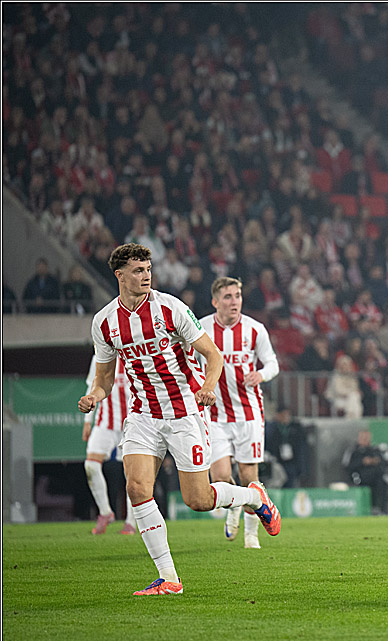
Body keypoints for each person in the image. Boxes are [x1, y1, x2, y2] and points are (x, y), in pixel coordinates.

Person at [78, 243, 281, 596]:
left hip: (185, 411)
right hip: (142, 415)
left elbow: (212, 355)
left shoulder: (170, 308)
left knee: (199, 499)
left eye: (148, 268)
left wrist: (207, 387)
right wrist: (95, 396)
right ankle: (169, 577)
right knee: (137, 488)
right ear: (119, 275)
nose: (146, 275)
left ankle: (254, 499)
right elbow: (106, 377)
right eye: (138, 270)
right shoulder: (105, 322)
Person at [199, 276, 280, 550]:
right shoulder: (202, 328)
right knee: (220, 477)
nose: (234, 302)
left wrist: (261, 374)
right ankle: (234, 505)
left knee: (249, 476)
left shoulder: (254, 329)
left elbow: (273, 363)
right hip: (215, 415)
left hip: (248, 414)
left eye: (237, 296)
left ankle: (251, 536)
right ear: (215, 301)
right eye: (228, 297)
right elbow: (192, 362)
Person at [82, 354, 136, 535]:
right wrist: (87, 420)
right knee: (90, 465)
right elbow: (93, 383)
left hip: (133, 422)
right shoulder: (101, 354)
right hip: (106, 422)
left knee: (132, 474)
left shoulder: (135, 348)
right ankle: (105, 512)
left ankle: (131, 521)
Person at [341, 428, 388, 512]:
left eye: (367, 438)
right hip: (359, 476)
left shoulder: (375, 450)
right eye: (363, 437)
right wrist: (362, 462)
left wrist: (375, 461)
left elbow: (385, 462)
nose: (365, 440)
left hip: (376, 476)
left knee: (383, 480)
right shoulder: (353, 451)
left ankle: (383, 510)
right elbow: (347, 465)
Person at [265, 405, 308, 488]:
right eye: (283, 415)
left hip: (291, 462)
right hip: (276, 462)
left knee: (290, 484)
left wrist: (302, 469)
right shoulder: (271, 428)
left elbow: (301, 449)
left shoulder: (295, 428)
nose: (286, 418)